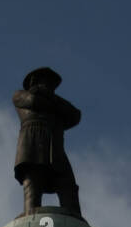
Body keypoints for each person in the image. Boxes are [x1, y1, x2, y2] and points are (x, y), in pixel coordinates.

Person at [12, 68, 82, 217]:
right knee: (33, 180)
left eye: (52, 84)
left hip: (55, 145)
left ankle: (75, 217)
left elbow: (75, 115)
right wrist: (54, 104)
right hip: (32, 141)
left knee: (67, 184)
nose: (50, 86)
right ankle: (30, 213)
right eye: (46, 81)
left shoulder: (54, 100)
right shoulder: (19, 95)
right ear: (35, 81)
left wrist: (51, 99)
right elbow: (33, 101)